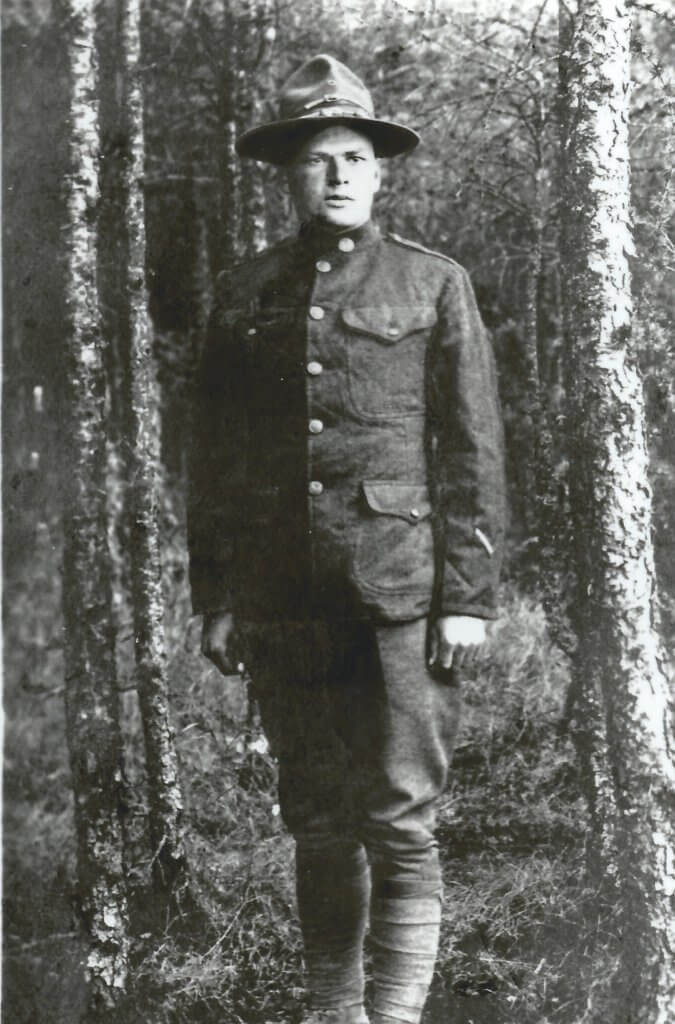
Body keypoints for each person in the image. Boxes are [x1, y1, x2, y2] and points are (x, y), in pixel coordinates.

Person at [188, 54, 505, 1024]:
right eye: (317, 158)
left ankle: (397, 1011)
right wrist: (220, 596)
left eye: (354, 157)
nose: (336, 175)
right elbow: (218, 457)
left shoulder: (432, 283)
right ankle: (334, 1008)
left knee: (402, 815)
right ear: (289, 173)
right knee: (318, 820)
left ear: (379, 172)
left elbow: (470, 447)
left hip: (404, 593)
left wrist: (469, 595)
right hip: (285, 600)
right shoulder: (246, 295)